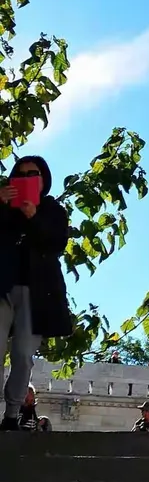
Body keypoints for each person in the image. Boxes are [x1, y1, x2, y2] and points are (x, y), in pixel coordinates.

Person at [0, 155, 72, 431]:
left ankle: (11, 414)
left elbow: (57, 243)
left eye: (33, 174)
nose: (27, 179)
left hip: (36, 291)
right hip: (3, 287)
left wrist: (35, 217)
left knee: (23, 353)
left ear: (43, 180)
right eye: (21, 174)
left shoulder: (53, 211)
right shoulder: (4, 205)